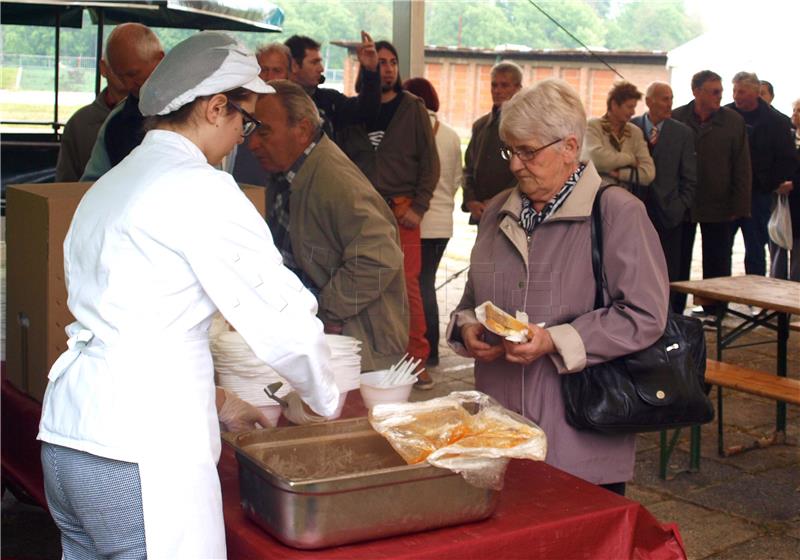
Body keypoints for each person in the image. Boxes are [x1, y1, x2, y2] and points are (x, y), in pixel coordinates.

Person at [37, 32, 340, 558]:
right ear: (215, 107)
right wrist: (323, 398)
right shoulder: (199, 187)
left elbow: (133, 321)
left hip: (69, 439)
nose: (245, 137)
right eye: (244, 121)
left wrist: (220, 402)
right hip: (138, 449)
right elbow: (280, 315)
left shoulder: (110, 185)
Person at [446, 79, 668, 495]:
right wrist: (467, 327)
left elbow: (644, 315)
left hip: (581, 435)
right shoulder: (497, 212)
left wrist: (554, 340)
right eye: (510, 150)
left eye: (527, 151)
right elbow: (472, 302)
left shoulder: (617, 213)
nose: (514, 164)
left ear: (569, 147)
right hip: (501, 432)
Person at [248, 79, 409, 371]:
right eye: (251, 130)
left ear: (303, 130)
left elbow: (379, 258)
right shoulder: (287, 175)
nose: (253, 143)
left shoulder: (334, 181)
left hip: (359, 349)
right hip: (325, 341)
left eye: (264, 131)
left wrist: (327, 311)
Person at [339, 40, 440, 389]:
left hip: (401, 211)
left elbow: (430, 162)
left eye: (393, 62)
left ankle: (416, 360)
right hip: (362, 213)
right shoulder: (352, 112)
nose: (387, 68)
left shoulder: (412, 107)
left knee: (409, 286)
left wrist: (419, 206)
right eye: (380, 62)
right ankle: (369, 357)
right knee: (364, 282)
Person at [672, 70, 751, 315]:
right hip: (683, 203)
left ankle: (714, 309)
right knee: (678, 260)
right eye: (714, 91)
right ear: (696, 91)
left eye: (720, 91)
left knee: (717, 258)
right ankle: (674, 308)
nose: (720, 96)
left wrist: (739, 206)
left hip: (719, 202)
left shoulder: (733, 121)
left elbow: (742, 165)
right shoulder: (676, 119)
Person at [403, 77, 462, 367]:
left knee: (417, 286)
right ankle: (433, 352)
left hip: (417, 221)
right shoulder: (451, 135)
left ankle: (425, 352)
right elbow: (455, 181)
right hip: (443, 224)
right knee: (426, 284)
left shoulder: (407, 131)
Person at [631, 82, 697, 313]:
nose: (669, 104)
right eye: (663, 99)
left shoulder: (682, 133)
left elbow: (690, 176)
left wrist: (679, 206)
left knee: (670, 267)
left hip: (669, 212)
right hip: (637, 211)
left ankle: (672, 315)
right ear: (649, 101)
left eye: (671, 98)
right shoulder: (632, 128)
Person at [725, 71, 797, 278]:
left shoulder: (778, 122)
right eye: (734, 91)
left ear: (755, 92)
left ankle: (755, 301)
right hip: (727, 194)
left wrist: (768, 184)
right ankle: (715, 303)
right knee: (720, 248)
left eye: (742, 91)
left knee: (755, 249)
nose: (736, 96)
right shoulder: (725, 116)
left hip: (758, 195)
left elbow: (787, 160)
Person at [81, 23, 164, 180]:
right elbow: (91, 183)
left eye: (133, 74)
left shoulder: (195, 109)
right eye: (119, 76)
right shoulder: (116, 123)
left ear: (159, 59)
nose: (126, 84)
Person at [285, 32, 380, 143]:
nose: (321, 69)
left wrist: (371, 71)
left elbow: (365, 111)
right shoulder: (277, 102)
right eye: (314, 62)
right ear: (295, 66)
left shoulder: (330, 101)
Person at [462, 61, 522, 225]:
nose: (497, 91)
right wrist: (471, 200)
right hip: (481, 212)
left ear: (518, 88)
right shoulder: (480, 126)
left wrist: (499, 201)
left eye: (504, 85)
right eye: (494, 85)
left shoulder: (525, 126)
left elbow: (526, 171)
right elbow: (468, 169)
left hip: (513, 213)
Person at [55, 50, 128, 181]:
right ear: (103, 68)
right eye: (121, 63)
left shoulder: (160, 120)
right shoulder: (79, 123)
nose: (127, 70)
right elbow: (65, 184)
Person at [231, 42, 293, 186]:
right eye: (264, 69)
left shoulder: (296, 111)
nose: (269, 76)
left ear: (289, 73)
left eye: (277, 70)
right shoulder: (239, 108)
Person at [583, 81, 655, 192]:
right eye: (629, 107)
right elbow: (596, 159)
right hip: (593, 196)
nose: (633, 112)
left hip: (623, 201)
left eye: (634, 107)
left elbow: (648, 173)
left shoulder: (635, 132)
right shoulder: (593, 126)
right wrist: (630, 159)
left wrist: (620, 174)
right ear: (614, 104)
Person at [771, 98, 800, 281]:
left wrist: (795, 184)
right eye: (795, 110)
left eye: (799, 111)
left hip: (798, 200)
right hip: (783, 201)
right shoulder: (786, 136)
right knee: (778, 245)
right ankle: (776, 294)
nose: (795, 114)